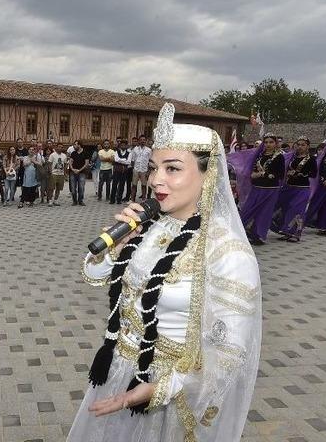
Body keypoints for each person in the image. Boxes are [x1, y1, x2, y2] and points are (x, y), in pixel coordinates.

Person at [69, 103, 261, 442]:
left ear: (208, 174)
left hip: (172, 387)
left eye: (172, 169)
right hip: (119, 368)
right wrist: (117, 242)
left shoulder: (226, 251)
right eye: (155, 167)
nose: (156, 179)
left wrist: (157, 389)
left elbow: (227, 354)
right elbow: (98, 275)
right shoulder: (149, 224)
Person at [238, 135, 285, 245]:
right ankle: (240, 230)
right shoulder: (260, 156)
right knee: (248, 209)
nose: (268, 144)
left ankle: (259, 235)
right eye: (266, 142)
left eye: (271, 142)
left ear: (275, 144)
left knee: (264, 212)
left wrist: (263, 174)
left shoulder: (279, 157)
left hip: (270, 189)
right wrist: (255, 175)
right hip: (257, 187)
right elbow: (253, 171)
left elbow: (280, 174)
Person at [271, 137, 317, 243]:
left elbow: (313, 174)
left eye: (303, 145)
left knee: (297, 210)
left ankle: (295, 233)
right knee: (285, 209)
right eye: (298, 144)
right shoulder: (292, 157)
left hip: (302, 188)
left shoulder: (311, 159)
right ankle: (285, 231)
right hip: (289, 187)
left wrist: (299, 174)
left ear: (308, 146)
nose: (300, 147)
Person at [130, 134, 152, 202]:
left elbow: (150, 162)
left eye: (144, 140)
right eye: (141, 140)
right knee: (134, 185)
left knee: (144, 185)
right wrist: (134, 169)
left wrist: (148, 171)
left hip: (144, 170)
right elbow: (132, 160)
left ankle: (143, 200)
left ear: (146, 141)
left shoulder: (149, 150)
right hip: (136, 169)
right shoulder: (135, 149)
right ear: (139, 141)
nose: (142, 141)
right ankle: (132, 199)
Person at [111, 139, 132, 204]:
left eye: (124, 145)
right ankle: (112, 200)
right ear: (120, 145)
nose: (123, 146)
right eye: (122, 145)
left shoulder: (129, 153)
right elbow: (116, 159)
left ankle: (119, 200)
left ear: (126, 146)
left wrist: (120, 160)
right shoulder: (116, 152)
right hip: (116, 170)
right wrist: (123, 160)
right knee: (114, 185)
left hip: (124, 171)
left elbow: (128, 162)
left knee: (122, 185)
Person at [69, 141, 88, 206]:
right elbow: (70, 162)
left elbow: (86, 164)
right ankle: (74, 201)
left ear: (79, 145)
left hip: (82, 173)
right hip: (73, 172)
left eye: (75, 144)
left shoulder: (85, 152)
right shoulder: (73, 153)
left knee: (81, 187)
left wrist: (79, 170)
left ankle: (80, 200)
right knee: (73, 188)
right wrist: (72, 169)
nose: (74, 146)